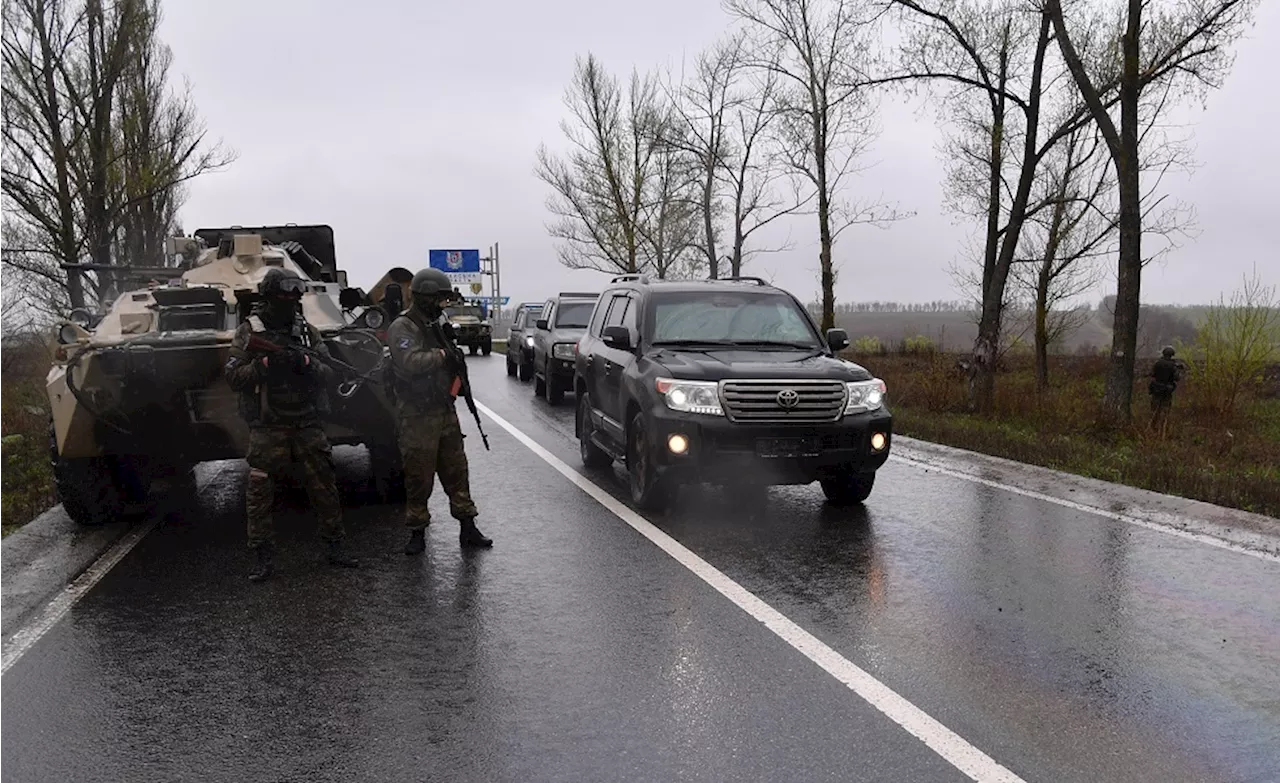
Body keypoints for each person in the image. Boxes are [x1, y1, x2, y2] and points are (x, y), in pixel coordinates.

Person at [224, 267, 359, 581]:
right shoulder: (249, 332)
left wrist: (307, 363)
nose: (291, 302)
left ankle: (336, 546)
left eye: (295, 296)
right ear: (270, 297)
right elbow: (233, 376)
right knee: (259, 492)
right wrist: (267, 365)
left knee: (324, 485)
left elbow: (330, 371)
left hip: (306, 421)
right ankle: (262, 556)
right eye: (285, 296)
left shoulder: (306, 331)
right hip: (268, 425)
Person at [386, 267, 493, 554]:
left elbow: (452, 359)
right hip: (416, 414)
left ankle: (468, 527)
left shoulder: (437, 322)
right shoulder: (404, 326)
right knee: (419, 475)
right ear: (423, 297)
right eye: (439, 299)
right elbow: (409, 361)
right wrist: (443, 355)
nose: (442, 304)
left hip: (443, 409)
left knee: (457, 470)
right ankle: (417, 532)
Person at [1148, 345, 1184, 437]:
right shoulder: (1173, 366)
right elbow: (1177, 378)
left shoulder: (1157, 363)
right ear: (1172, 355)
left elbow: (1152, 374)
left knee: (1154, 410)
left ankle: (1152, 429)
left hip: (1156, 389)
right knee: (1165, 411)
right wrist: (1180, 370)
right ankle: (1162, 431)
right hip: (1167, 391)